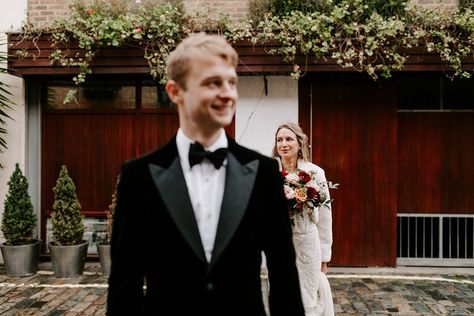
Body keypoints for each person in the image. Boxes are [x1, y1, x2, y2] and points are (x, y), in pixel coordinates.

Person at [107, 33, 305, 316]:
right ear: (176, 92)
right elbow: (124, 285)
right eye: (213, 83)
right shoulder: (138, 176)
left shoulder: (264, 173)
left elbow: (284, 275)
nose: (227, 93)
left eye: (231, 83)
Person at [272, 122, 335, 316]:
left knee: (308, 297)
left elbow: (324, 218)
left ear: (300, 144)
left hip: (308, 242)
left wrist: (325, 256)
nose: (284, 144)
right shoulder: (270, 172)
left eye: (289, 139)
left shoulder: (315, 173)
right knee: (282, 295)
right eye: (279, 140)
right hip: (280, 244)